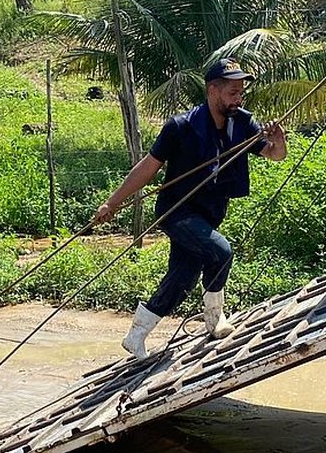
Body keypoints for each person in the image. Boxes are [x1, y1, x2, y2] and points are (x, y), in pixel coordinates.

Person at [93, 58, 287, 360]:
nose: (238, 99)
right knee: (221, 252)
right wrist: (113, 202)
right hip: (177, 212)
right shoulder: (181, 127)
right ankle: (215, 319)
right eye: (232, 93)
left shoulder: (243, 123)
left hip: (210, 213)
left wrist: (278, 143)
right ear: (213, 90)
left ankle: (136, 336)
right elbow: (148, 167)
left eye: (241, 93)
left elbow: (275, 155)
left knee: (183, 277)